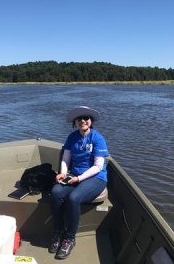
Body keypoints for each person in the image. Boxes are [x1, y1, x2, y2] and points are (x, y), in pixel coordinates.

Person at [49, 106, 109, 259]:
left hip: (96, 178)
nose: (83, 120)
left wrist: (79, 179)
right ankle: (58, 231)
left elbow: (98, 166)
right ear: (75, 122)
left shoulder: (97, 138)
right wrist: (63, 173)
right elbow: (66, 158)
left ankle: (69, 238)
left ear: (91, 121)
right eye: (79, 119)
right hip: (74, 174)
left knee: (74, 198)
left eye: (86, 118)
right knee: (55, 193)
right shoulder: (72, 137)